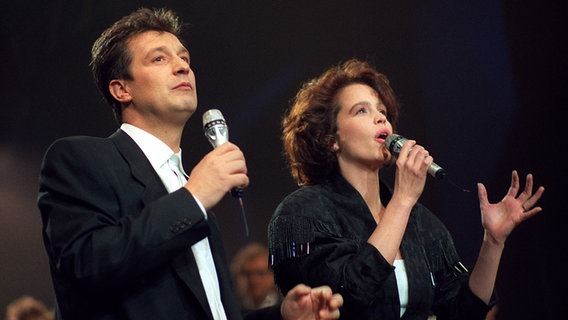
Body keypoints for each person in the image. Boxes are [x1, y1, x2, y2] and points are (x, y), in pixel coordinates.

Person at [37, 7, 342, 320]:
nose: (182, 67)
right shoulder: (80, 159)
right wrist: (194, 197)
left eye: (185, 58)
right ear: (121, 89)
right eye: (159, 58)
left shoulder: (188, 185)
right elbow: (86, 264)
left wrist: (283, 316)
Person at [268, 59, 545, 319]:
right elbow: (350, 298)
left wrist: (492, 243)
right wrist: (402, 200)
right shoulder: (301, 213)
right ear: (330, 139)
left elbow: (464, 313)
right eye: (361, 110)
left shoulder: (421, 222)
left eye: (383, 112)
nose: (380, 119)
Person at [230, 243, 283, 311]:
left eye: (260, 273)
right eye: (247, 274)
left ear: (273, 276)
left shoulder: (286, 310)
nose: (254, 280)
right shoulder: (231, 311)